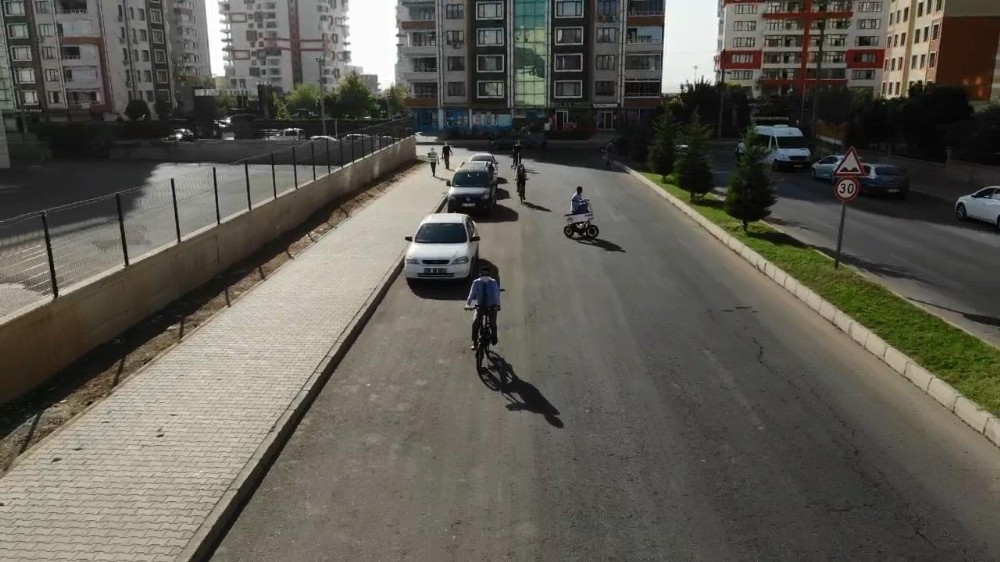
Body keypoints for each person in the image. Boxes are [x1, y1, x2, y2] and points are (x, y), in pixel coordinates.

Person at [465, 265, 501, 349]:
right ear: (480, 274)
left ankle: (494, 338)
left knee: (492, 324)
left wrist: (497, 306)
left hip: (491, 307)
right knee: (475, 322)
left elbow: (496, 295)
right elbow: (471, 295)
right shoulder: (476, 282)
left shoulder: (493, 282)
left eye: (486, 273)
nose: (484, 275)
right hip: (480, 307)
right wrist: (467, 304)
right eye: (483, 273)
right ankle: (475, 342)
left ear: (489, 274)